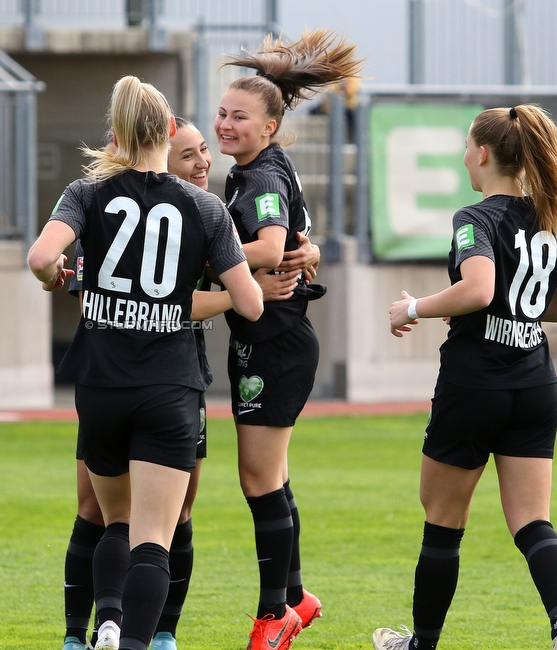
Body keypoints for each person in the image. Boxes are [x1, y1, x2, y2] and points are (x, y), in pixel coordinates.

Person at [29, 75, 263, 650]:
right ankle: (137, 641)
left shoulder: (86, 194)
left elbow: (40, 258)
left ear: (117, 136)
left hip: (102, 383)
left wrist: (58, 277)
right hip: (170, 388)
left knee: (114, 521)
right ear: (168, 131)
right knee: (155, 537)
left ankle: (96, 629)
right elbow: (252, 305)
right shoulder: (206, 206)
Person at [375, 104, 557, 650]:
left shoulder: (476, 218)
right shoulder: (550, 216)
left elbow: (481, 290)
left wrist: (414, 307)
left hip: (475, 385)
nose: (465, 156)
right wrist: (483, 305)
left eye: (467, 146)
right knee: (534, 522)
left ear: (484, 154)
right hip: (536, 384)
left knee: (442, 520)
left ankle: (420, 644)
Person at [214, 29, 362, 650]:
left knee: (258, 477)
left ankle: (275, 611)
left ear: (270, 126)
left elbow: (273, 248)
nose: (226, 125)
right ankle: (295, 597)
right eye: (221, 113)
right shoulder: (255, 170)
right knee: (268, 474)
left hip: (277, 342)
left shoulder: (261, 176)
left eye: (239, 117)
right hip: (269, 336)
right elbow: (288, 245)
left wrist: (208, 255)